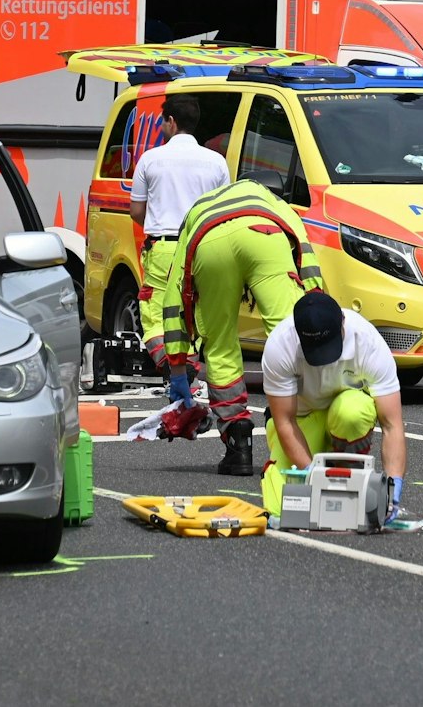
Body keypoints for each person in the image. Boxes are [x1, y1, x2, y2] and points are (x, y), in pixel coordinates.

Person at [165, 178, 322, 475]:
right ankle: (292, 427)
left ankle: (238, 444)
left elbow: (174, 295)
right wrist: (318, 312)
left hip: (209, 243)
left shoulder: (196, 213)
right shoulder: (274, 203)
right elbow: (307, 260)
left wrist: (177, 369)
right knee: (289, 334)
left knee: (220, 344)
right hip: (265, 235)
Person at [258, 291, 408, 520]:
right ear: (298, 335)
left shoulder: (367, 340)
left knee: (352, 413)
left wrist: (393, 485)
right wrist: (312, 477)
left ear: (342, 324)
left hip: (344, 410)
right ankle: (325, 478)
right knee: (283, 509)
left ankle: (348, 477)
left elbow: (392, 425)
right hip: (302, 418)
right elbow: (285, 422)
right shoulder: (279, 346)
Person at [129, 95, 229, 384]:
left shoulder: (150, 159)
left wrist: (157, 221)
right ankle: (189, 373)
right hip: (202, 248)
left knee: (157, 312)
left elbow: (137, 210)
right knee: (193, 312)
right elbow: (223, 212)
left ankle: (170, 367)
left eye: (163, 121)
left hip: (164, 247)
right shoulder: (216, 163)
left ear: (171, 122)